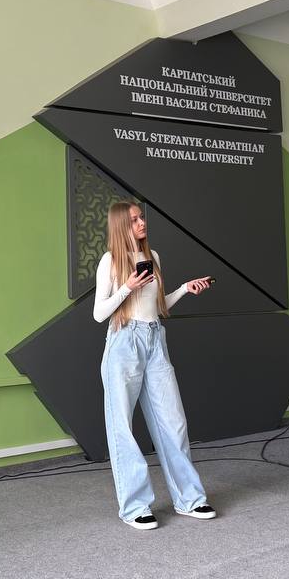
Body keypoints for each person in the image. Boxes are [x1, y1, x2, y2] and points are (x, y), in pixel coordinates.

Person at [93, 201, 216, 530]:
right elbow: (99, 313)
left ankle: (189, 499)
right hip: (124, 342)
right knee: (122, 427)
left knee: (173, 423)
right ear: (121, 225)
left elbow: (158, 307)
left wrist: (184, 290)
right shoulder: (110, 261)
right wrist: (127, 287)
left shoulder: (154, 257)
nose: (141, 223)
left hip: (154, 339)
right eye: (134, 219)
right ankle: (135, 506)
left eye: (141, 217)